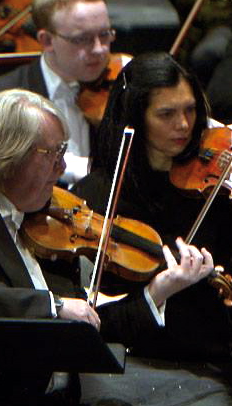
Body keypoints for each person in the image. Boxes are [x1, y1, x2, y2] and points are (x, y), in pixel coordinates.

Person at [0, 88, 215, 404]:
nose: (62, 168)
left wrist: (158, 291)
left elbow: (89, 326)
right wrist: (54, 306)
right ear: (8, 154)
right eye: (53, 153)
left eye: (63, 152)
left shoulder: (47, 224)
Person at [73, 52, 232, 404]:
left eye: (190, 110)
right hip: (125, 367)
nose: (184, 125)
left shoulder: (217, 192)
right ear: (135, 116)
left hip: (211, 367)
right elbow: (93, 321)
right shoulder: (98, 197)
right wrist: (155, 294)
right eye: (166, 114)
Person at [0, 0, 115, 185]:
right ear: (47, 40)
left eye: (104, 35)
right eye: (82, 39)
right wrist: (78, 168)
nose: (99, 49)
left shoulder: (118, 89)